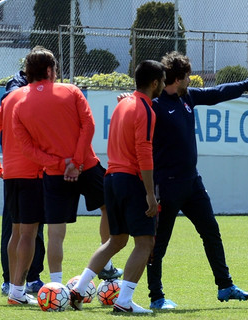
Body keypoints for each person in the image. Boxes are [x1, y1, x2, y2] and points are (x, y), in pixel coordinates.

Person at [146, 51, 248, 310]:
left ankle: (225, 286)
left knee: (211, 232)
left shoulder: (188, 97)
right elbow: (135, 104)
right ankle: (157, 297)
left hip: (192, 183)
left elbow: (219, 93)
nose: (190, 80)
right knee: (158, 244)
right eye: (187, 77)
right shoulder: (155, 104)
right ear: (179, 78)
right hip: (167, 186)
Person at [11, 46, 122, 285]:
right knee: (108, 208)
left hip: (54, 173)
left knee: (56, 231)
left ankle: (55, 285)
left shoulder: (19, 104)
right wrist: (77, 162)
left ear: (28, 72)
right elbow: (89, 126)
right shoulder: (71, 91)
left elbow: (27, 149)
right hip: (87, 166)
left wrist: (61, 164)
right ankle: (107, 265)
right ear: (50, 70)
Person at [69, 60, 166, 314]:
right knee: (145, 242)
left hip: (110, 178)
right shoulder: (146, 110)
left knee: (116, 240)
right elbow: (144, 153)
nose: (164, 86)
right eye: (162, 81)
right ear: (155, 83)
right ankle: (124, 302)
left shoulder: (123, 103)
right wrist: (150, 195)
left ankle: (79, 289)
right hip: (130, 180)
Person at [0, 72, 44, 306]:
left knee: (25, 231)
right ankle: (14, 284)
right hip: (26, 171)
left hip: (20, 172)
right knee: (21, 230)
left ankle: (24, 280)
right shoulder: (19, 89)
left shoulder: (21, 95)